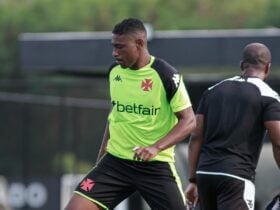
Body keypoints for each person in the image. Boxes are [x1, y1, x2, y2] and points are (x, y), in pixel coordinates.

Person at [65, 18, 196, 210]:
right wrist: (101, 157)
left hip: (155, 167)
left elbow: (189, 121)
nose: (114, 53)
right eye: (113, 47)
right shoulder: (114, 72)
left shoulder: (166, 74)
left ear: (140, 44)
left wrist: (155, 148)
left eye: (120, 47)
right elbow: (115, 115)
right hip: (115, 164)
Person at [184, 42, 280, 210]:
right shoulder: (268, 96)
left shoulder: (213, 90)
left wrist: (192, 180)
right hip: (235, 177)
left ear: (242, 65)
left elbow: (196, 136)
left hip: (205, 174)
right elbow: (278, 141)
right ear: (267, 68)